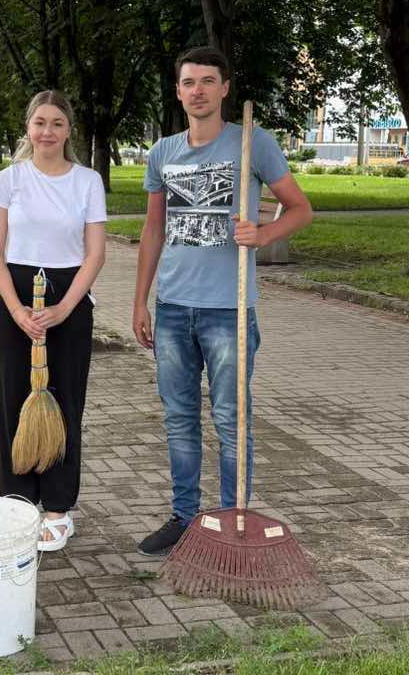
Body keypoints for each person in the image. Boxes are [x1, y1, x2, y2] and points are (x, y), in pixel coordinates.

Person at [132, 46, 313, 556]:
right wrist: (140, 301)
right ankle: (185, 517)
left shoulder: (253, 144)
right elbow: (153, 230)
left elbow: (300, 209)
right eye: (189, 82)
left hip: (228, 311)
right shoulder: (162, 152)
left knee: (232, 418)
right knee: (180, 418)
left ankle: (234, 521)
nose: (198, 90)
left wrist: (265, 232)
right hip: (171, 309)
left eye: (208, 81)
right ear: (178, 90)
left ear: (225, 88)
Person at [0, 90, 107, 552]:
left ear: (68, 130)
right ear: (28, 128)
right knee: (15, 399)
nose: (47, 131)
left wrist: (65, 308)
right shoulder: (9, 180)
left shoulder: (87, 182)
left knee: (65, 399)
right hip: (17, 295)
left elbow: (95, 253)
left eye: (57, 123)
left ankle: (57, 507)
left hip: (69, 298)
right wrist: (16, 309)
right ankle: (18, 501)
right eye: (40, 122)